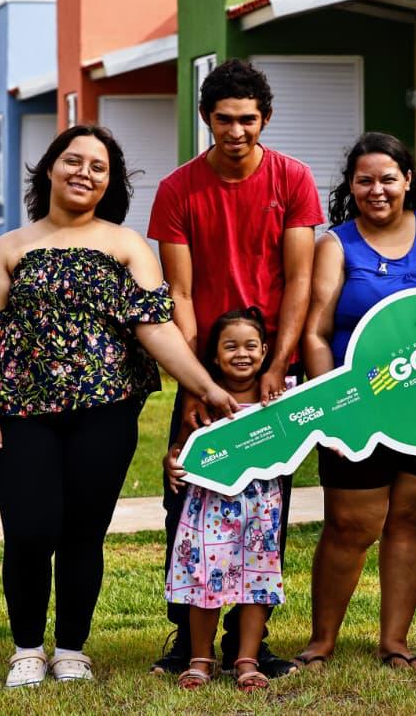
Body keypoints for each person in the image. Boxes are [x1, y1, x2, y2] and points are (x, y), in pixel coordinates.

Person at [0, 125, 239, 689]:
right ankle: (27, 649)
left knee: (84, 532)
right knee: (31, 531)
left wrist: (205, 386)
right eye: (74, 161)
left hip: (106, 411)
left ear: (109, 182)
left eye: (99, 167)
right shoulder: (10, 248)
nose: (84, 173)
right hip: (23, 413)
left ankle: (71, 650)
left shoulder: (126, 244)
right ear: (50, 169)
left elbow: (154, 328)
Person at [149, 59, 324, 677]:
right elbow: (181, 293)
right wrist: (197, 384)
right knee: (187, 500)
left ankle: (250, 643)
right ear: (206, 119)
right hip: (205, 366)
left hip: (273, 369)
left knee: (266, 505)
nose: (235, 130)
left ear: (264, 119)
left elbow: (300, 279)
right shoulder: (177, 190)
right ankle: (186, 639)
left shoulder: (293, 178)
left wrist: (281, 364)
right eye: (223, 119)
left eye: (247, 119)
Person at [294, 132, 416, 670]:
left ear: (408, 180)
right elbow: (316, 332)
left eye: (387, 179)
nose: (376, 190)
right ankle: (321, 641)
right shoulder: (336, 243)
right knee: (350, 525)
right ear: (350, 186)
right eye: (364, 180)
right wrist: (334, 411)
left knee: (414, 518)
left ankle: (395, 643)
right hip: (361, 408)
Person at [164, 307, 287, 692]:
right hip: (209, 509)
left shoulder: (278, 400)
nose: (241, 353)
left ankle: (246, 660)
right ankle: (200, 658)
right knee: (205, 583)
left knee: (257, 583)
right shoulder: (203, 403)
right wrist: (172, 461)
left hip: (261, 510)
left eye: (251, 345)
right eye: (230, 346)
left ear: (265, 351)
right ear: (215, 357)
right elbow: (181, 450)